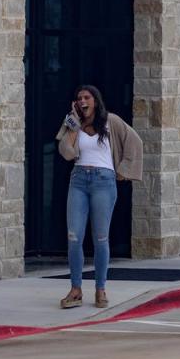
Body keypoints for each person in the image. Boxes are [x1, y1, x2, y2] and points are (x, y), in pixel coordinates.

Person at [55, 85, 143, 309]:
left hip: (104, 181)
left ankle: (100, 289)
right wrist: (73, 124)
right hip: (78, 180)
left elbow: (135, 142)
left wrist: (123, 169)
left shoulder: (110, 121)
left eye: (86, 97)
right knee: (74, 236)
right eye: (79, 98)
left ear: (95, 101)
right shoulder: (71, 123)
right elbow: (66, 152)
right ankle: (75, 290)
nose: (82, 101)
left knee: (101, 237)